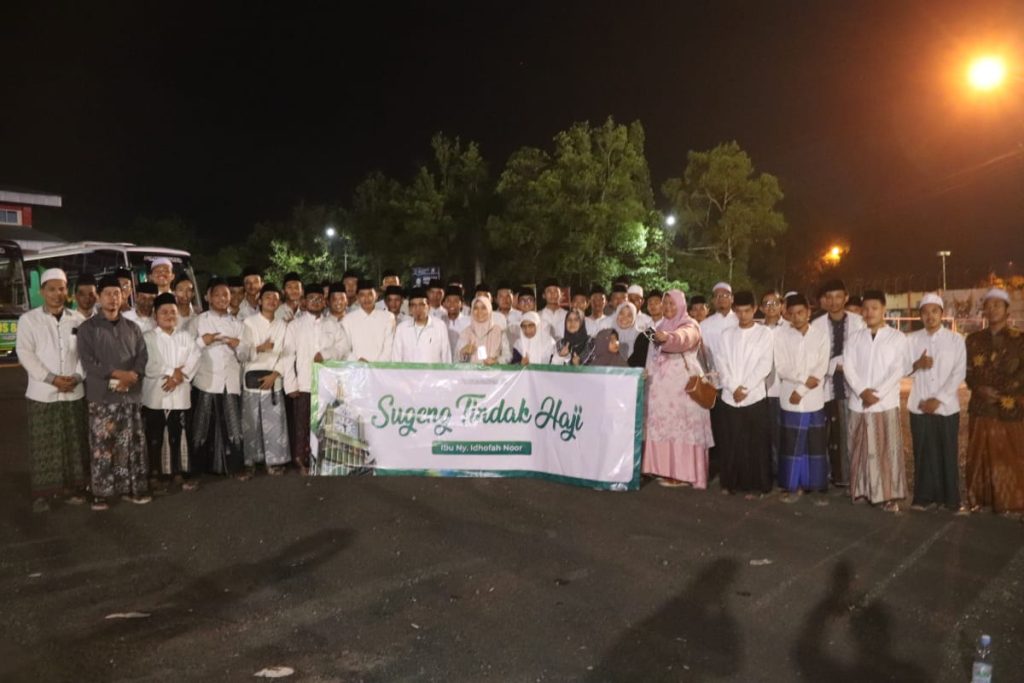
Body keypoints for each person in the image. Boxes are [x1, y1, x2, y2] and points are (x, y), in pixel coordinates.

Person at [16, 268, 90, 512]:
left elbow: (86, 354)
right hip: (42, 393)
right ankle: (43, 495)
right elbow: (25, 353)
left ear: (67, 291)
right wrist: (51, 379)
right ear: (42, 291)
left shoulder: (78, 320)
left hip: (73, 391)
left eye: (61, 289)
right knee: (44, 445)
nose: (57, 294)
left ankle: (73, 489)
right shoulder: (29, 320)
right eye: (51, 289)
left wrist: (77, 376)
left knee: (74, 442)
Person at [76, 275, 150, 510]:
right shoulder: (88, 328)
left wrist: (133, 375)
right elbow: (88, 362)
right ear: (98, 297)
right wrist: (118, 375)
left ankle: (131, 488)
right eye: (107, 293)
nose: (112, 298)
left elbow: (142, 356)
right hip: (102, 397)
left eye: (116, 293)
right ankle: (102, 492)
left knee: (130, 444)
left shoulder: (133, 327)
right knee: (103, 445)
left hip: (130, 395)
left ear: (123, 296)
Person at [843, 291, 911, 512]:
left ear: (883, 310)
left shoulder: (897, 338)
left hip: (884, 404)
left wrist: (876, 394)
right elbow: (848, 366)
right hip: (859, 403)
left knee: (886, 451)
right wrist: (862, 391)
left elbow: (898, 369)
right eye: (866, 308)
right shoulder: (855, 338)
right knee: (859, 448)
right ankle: (861, 490)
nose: (869, 312)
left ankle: (888, 496)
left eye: (874, 308)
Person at [642, 290, 714, 488]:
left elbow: (683, 338)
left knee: (683, 428)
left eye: (672, 303)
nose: (668, 307)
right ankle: (665, 470)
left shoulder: (690, 325)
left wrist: (668, 337)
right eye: (665, 303)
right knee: (663, 427)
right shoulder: (659, 326)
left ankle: (683, 474)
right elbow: (653, 354)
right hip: (660, 388)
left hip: (684, 388)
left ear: (681, 305)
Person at [964, 287, 1024, 514]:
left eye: (997, 305)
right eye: (988, 305)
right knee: (980, 455)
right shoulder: (973, 340)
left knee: (1010, 455)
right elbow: (967, 371)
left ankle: (1010, 501)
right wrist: (979, 388)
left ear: (1008, 311)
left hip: (1009, 408)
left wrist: (1000, 392)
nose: (992, 309)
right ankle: (981, 499)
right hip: (981, 407)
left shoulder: (1020, 340)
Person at [907, 293, 966, 512]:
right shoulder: (911, 340)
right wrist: (916, 364)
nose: (930, 316)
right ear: (920, 315)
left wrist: (938, 400)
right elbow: (900, 368)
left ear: (942, 313)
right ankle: (923, 498)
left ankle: (950, 500)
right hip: (919, 404)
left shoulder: (955, 340)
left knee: (947, 452)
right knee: (923, 452)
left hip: (947, 407)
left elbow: (958, 373)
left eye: (934, 311)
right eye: (925, 312)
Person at [715, 291, 775, 497]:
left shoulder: (764, 333)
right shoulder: (726, 335)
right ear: (734, 310)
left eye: (747, 311)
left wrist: (745, 388)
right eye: (739, 311)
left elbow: (765, 364)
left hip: (754, 396)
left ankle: (756, 486)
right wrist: (733, 388)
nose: (743, 315)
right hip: (730, 396)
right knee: (731, 441)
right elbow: (721, 363)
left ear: (755, 309)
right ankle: (731, 483)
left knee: (755, 444)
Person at [773, 294, 831, 502]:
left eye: (800, 312)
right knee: (791, 444)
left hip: (813, 399)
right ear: (787, 315)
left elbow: (821, 368)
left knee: (815, 445)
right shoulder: (781, 336)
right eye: (792, 313)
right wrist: (803, 382)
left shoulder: (820, 336)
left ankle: (815, 487)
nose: (796, 317)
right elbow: (781, 367)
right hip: (790, 398)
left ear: (808, 312)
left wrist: (802, 390)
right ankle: (791, 486)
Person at [142, 292, 201, 491]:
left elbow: (195, 357)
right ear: (155, 315)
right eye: (164, 312)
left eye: (173, 312)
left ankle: (178, 472)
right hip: (155, 395)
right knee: (155, 436)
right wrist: (171, 371)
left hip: (180, 393)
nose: (169, 316)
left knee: (178, 433)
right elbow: (148, 364)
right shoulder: (148, 338)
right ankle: (155, 474)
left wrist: (179, 377)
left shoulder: (185, 337)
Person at [811, 279, 866, 488]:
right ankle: (835, 477)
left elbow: (863, 353)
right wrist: (836, 364)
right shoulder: (816, 325)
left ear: (846, 297)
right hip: (826, 387)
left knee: (852, 433)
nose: (833, 302)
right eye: (829, 297)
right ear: (824, 300)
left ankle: (854, 477)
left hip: (854, 387)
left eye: (838, 297)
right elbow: (814, 358)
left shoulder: (859, 322)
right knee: (832, 435)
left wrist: (844, 363)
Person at [192, 278, 248, 476]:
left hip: (230, 380)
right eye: (217, 294)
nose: (222, 298)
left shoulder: (238, 324)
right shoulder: (198, 321)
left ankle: (235, 467)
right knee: (202, 424)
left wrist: (238, 345)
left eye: (226, 294)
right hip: (205, 379)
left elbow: (246, 355)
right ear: (208, 297)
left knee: (233, 425)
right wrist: (202, 341)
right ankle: (199, 470)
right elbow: (188, 350)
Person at [241, 283, 291, 476]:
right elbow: (242, 353)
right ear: (260, 300)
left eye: (275, 298)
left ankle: (274, 461)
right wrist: (259, 348)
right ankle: (251, 461)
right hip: (252, 376)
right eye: (268, 297)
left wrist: (275, 373)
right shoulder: (248, 323)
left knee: (275, 423)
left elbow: (287, 354)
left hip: (273, 377)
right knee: (251, 422)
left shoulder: (283, 325)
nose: (272, 301)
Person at [282, 284, 333, 474]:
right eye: (311, 298)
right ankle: (300, 460)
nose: (316, 302)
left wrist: (326, 354)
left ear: (325, 302)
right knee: (301, 425)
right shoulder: (295, 325)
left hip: (327, 384)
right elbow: (288, 356)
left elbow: (343, 347)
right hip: (303, 383)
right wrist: (290, 384)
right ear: (304, 302)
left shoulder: (332, 324)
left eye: (319, 299)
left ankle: (322, 460)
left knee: (325, 424)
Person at [760, 290, 786, 474]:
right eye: (767, 304)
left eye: (775, 303)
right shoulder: (756, 329)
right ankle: (767, 470)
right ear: (761, 308)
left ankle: (781, 471)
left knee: (780, 433)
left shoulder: (789, 328)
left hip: (781, 388)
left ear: (782, 306)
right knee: (763, 433)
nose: (771, 307)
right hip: (759, 390)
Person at [392, 287, 452, 363]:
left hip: (433, 371)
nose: (418, 309)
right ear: (409, 309)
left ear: (429, 306)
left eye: (421, 305)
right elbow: (396, 358)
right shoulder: (402, 328)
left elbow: (446, 356)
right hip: (408, 371)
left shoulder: (439, 326)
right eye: (414, 305)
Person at [342, 279, 396, 362]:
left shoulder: (387, 317)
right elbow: (345, 349)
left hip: (381, 367)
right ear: (357, 297)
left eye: (370, 294)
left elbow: (389, 348)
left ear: (376, 296)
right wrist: (357, 361)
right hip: (357, 366)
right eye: (362, 295)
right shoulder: (348, 319)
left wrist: (376, 365)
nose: (366, 299)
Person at [457, 296, 511, 365]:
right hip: (471, 371)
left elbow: (508, 355)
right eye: (475, 308)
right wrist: (463, 352)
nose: (479, 312)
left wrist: (496, 361)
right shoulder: (466, 332)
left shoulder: (499, 331)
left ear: (489, 310)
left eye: (483, 308)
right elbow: (456, 359)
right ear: (472, 310)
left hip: (494, 371)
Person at [442, 284, 471, 357]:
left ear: (462, 304)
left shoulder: (469, 322)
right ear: (444, 304)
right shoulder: (440, 322)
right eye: (448, 300)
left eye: (456, 301)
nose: (452, 304)